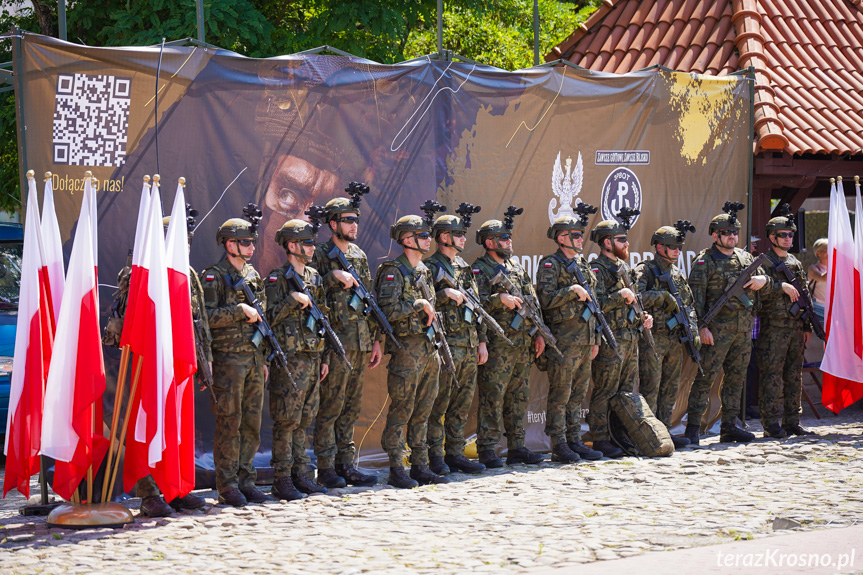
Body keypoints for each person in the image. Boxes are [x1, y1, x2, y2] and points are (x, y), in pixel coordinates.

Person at [103, 216, 210, 517]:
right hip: (146, 364)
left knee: (176, 427)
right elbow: (125, 323)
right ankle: (148, 493)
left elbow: (197, 321)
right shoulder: (139, 270)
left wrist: (204, 361)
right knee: (145, 427)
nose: (184, 243)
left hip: (178, 363)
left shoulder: (185, 272)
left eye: (186, 238)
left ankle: (174, 488)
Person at [685, 204, 771, 445]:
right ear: (715, 236)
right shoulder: (705, 261)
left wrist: (763, 280)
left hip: (742, 331)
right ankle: (693, 428)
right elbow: (694, 299)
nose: (732, 236)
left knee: (736, 379)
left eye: (734, 232)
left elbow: (766, 283)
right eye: (726, 232)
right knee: (705, 379)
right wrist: (702, 328)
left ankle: (730, 426)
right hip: (716, 330)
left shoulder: (746, 258)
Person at [311, 196, 381, 489]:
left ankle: (346, 464)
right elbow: (309, 292)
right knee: (331, 406)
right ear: (333, 224)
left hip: (359, 341)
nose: (354, 225)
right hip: (335, 342)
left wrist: (376, 340)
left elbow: (368, 299)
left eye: (356, 220)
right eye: (348, 220)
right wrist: (330, 277)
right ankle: (326, 467)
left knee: (351, 408)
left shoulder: (359, 256)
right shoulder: (319, 254)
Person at [201, 216, 270, 507]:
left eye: (252, 241)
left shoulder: (253, 275)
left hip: (253, 360)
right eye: (245, 242)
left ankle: (247, 479)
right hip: (228, 361)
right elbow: (205, 318)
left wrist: (263, 358)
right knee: (230, 423)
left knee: (252, 424)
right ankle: (227, 484)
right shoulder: (214, 276)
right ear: (230, 244)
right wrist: (238, 310)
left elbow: (263, 320)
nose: (251, 246)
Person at [374, 214, 447, 488]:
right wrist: (417, 304)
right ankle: (396, 465)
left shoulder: (424, 271)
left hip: (429, 348)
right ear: (407, 239)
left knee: (424, 409)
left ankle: (420, 464)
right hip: (407, 350)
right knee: (402, 408)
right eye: (423, 235)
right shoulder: (393, 270)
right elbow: (386, 311)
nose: (429, 240)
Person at [471, 212, 545, 468]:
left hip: (522, 344)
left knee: (518, 397)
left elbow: (531, 301)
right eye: (503, 238)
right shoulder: (479, 270)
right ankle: (488, 449)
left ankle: (517, 447)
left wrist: (538, 333)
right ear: (489, 243)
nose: (509, 242)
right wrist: (497, 300)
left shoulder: (515, 268)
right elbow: (474, 306)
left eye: (509, 238)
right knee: (493, 398)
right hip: (498, 345)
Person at [265, 220, 332, 500]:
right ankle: (282, 478)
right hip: (289, 360)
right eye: (307, 243)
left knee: (305, 419)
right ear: (292, 246)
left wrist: (325, 356)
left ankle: (301, 474)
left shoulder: (315, 277)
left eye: (312, 242)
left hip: (313, 357)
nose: (312, 247)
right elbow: (267, 319)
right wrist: (291, 300)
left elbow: (322, 318)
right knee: (287, 420)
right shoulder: (277, 278)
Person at [423, 212, 487, 475]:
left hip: (468, 344)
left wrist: (482, 342)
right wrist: (443, 293)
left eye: (463, 233)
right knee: (440, 403)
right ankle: (435, 455)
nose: (463, 238)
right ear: (443, 237)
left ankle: (455, 453)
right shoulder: (428, 267)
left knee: (461, 404)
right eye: (458, 234)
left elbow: (477, 306)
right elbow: (422, 301)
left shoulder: (464, 266)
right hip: (445, 344)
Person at [536, 213, 603, 463]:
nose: (579, 239)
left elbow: (594, 304)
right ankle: (559, 443)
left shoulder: (584, 264)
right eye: (574, 235)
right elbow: (545, 299)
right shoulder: (550, 264)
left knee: (578, 394)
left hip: (585, 340)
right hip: (564, 341)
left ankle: (574, 439)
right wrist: (571, 291)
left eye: (580, 235)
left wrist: (595, 338)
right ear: (561, 238)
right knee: (561, 395)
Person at [588, 217, 654, 458]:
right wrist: (619, 295)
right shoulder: (596, 269)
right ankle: (601, 438)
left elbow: (633, 302)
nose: (627, 244)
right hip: (610, 340)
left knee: (626, 393)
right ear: (607, 242)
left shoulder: (624, 269)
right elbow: (594, 305)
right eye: (622, 240)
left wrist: (643, 317)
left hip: (630, 339)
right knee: (605, 391)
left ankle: (621, 435)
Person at [634, 223, 699, 449]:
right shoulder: (647, 270)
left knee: (670, 388)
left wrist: (692, 328)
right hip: (655, 338)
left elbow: (688, 303)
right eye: (673, 247)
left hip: (674, 338)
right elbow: (636, 296)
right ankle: (648, 435)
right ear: (659, 247)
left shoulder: (676, 272)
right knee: (651, 387)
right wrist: (661, 296)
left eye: (680, 248)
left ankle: (664, 431)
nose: (677, 251)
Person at [757, 213, 815, 437]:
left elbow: (804, 295)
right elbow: (758, 289)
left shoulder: (794, 262)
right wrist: (780, 285)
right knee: (772, 374)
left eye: (791, 235)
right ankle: (770, 423)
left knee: (794, 374)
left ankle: (792, 420)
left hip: (796, 327)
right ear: (772, 237)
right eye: (783, 235)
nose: (788, 238)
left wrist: (808, 325)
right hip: (774, 326)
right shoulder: (764, 262)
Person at [807, 238, 828, 330]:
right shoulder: (813, 268)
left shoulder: (836, 267)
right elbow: (823, 278)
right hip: (819, 309)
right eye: (828, 250)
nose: (831, 253)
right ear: (818, 253)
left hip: (835, 309)